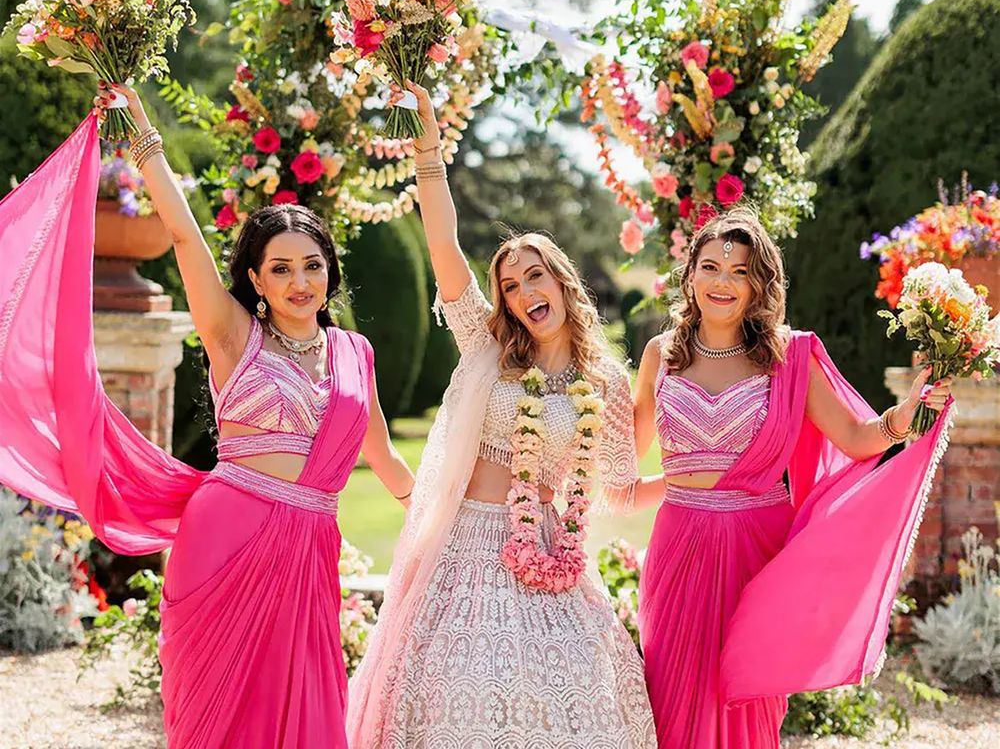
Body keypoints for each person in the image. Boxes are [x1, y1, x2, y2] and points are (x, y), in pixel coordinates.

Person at [0, 83, 414, 748]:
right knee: (216, 724)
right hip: (225, 541)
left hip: (310, 553)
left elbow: (385, 459)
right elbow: (183, 237)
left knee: (306, 717)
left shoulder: (353, 354)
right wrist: (145, 140)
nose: (300, 282)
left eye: (312, 266)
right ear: (255, 280)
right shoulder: (232, 335)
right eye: (281, 268)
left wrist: (449, 522)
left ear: (330, 273)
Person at [347, 80, 656, 748]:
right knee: (456, 696)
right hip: (463, 544)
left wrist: (710, 481)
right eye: (510, 285)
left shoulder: (603, 381)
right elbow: (443, 247)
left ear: (561, 281)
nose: (522, 293)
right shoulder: (488, 348)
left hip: (542, 548)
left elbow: (624, 489)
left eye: (534, 276)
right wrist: (429, 149)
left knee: (567, 698)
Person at [630, 207, 953, 748]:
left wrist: (906, 415)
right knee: (672, 692)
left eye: (740, 271)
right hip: (678, 547)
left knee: (747, 699)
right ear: (690, 276)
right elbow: (620, 458)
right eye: (710, 267)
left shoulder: (788, 357)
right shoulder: (660, 356)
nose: (723, 282)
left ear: (759, 283)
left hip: (755, 548)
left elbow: (855, 437)